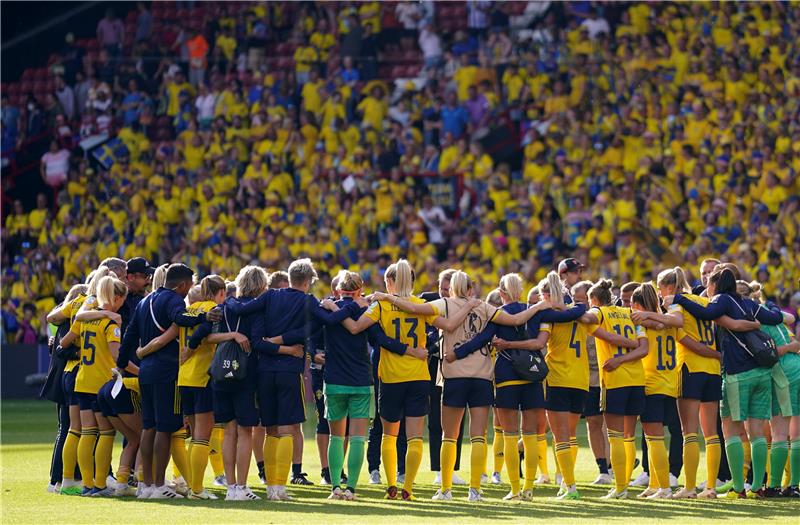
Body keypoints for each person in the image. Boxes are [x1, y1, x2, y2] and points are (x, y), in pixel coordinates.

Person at [372, 266, 558, 501]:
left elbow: (412, 307)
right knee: (478, 435)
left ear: (451, 289)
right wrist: (541, 305)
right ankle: (475, 491)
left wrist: (386, 296)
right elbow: (515, 319)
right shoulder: (484, 306)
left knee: (449, 436)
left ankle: (446, 490)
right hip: (481, 377)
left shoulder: (445, 304)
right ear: (471, 288)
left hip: (454, 376)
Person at [456, 273, 586, 500]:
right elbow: (577, 311)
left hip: (507, 376)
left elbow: (481, 339)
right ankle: (528, 488)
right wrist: (556, 304)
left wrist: (457, 353)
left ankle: (514, 489)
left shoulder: (497, 315)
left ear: (502, 292)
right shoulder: (537, 312)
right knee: (530, 435)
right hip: (533, 377)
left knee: (509, 435)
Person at [666, 268, 786, 498]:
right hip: (762, 372)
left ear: (715, 285)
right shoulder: (749, 304)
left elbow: (706, 312)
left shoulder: (721, 300)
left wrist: (679, 298)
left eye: (709, 286)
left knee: (730, 430)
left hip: (738, 373)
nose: (708, 291)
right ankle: (757, 486)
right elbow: (777, 317)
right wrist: (769, 307)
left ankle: (739, 488)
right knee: (757, 432)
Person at [123, 263, 220, 499]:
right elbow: (181, 317)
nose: (189, 291)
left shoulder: (146, 301)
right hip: (167, 372)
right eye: (189, 286)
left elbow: (130, 334)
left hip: (146, 371)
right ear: (183, 284)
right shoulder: (174, 300)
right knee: (166, 429)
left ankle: (146, 485)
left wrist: (120, 360)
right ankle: (158, 486)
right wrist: (203, 314)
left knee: (149, 427)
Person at [320, 271, 410, 500]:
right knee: (358, 437)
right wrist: (409, 351)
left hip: (334, 380)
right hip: (361, 380)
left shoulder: (327, 308)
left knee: (336, 438)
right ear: (360, 290)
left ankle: (335, 489)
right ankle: (351, 488)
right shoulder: (366, 311)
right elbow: (379, 340)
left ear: (338, 290)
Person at [580, 279, 649, 500]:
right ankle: (624, 483)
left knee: (616, 436)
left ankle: (620, 487)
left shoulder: (599, 312)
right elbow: (643, 349)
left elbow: (588, 318)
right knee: (629, 436)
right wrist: (628, 349)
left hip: (615, 380)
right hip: (637, 379)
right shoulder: (630, 313)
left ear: (594, 300)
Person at [741, 281, 800, 498]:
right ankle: (793, 484)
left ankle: (774, 486)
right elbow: (793, 339)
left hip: (781, 372)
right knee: (795, 433)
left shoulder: (752, 319)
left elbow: (769, 351)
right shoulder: (771, 313)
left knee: (779, 433)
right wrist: (790, 347)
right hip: (796, 367)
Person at [71, 276, 128, 496]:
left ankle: (87, 484)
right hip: (102, 383)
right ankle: (101, 484)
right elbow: (116, 357)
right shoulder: (110, 323)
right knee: (106, 433)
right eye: (122, 300)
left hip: (83, 380)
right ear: (116, 297)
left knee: (87, 432)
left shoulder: (88, 319)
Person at [629, 283, 680, 499]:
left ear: (638, 304)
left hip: (652, 383)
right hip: (670, 383)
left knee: (654, 438)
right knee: (653, 439)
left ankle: (664, 488)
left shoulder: (642, 322)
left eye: (632, 303)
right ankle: (654, 483)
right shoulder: (668, 320)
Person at [420, 269, 466, 487]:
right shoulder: (429, 301)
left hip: (456, 365)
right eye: (442, 289)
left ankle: (453, 468)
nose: (445, 293)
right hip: (432, 366)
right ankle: (438, 468)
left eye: (449, 289)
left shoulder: (462, 305)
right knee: (435, 419)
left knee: (457, 418)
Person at [573, 280, 612, 486]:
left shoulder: (602, 316)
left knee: (608, 425)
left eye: (583, 301)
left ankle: (610, 468)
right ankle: (604, 469)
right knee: (591, 424)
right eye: (576, 301)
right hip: (583, 380)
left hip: (606, 378)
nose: (579, 305)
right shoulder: (572, 319)